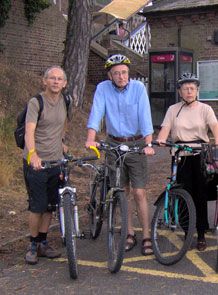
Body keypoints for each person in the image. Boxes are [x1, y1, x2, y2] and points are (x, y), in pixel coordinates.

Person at [85, 54, 155, 255]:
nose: (121, 76)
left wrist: (149, 143)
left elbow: (145, 116)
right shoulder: (103, 89)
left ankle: (147, 235)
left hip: (136, 143)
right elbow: (96, 114)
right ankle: (129, 233)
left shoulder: (138, 89)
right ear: (110, 75)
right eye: (116, 73)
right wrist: (91, 138)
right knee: (122, 192)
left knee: (139, 192)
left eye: (124, 72)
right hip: (114, 143)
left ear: (128, 73)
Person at [156, 73, 218, 251]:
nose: (189, 91)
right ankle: (187, 233)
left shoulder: (205, 109)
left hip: (200, 155)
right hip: (180, 155)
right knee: (183, 194)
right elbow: (165, 129)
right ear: (179, 92)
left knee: (200, 195)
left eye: (192, 88)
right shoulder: (173, 109)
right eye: (185, 89)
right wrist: (161, 139)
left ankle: (201, 234)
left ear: (197, 91)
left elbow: (215, 127)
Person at [23, 66, 70, 264]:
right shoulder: (36, 102)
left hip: (55, 161)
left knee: (50, 205)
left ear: (64, 83)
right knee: (37, 206)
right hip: (37, 162)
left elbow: (64, 122)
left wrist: (62, 141)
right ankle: (32, 244)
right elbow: (29, 131)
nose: (56, 82)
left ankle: (43, 242)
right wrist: (33, 154)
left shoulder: (65, 101)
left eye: (60, 79)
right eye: (52, 78)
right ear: (45, 81)